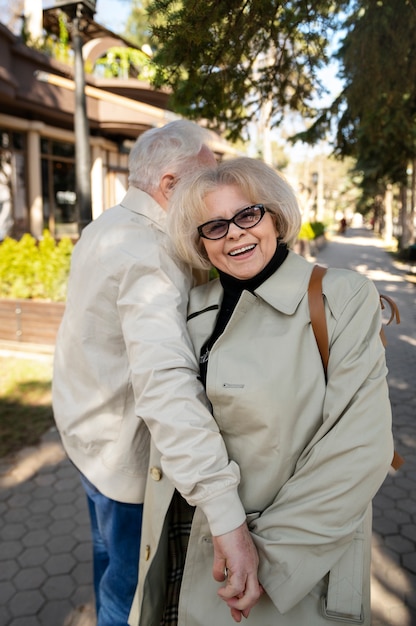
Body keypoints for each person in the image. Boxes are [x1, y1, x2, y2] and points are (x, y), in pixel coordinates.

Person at [130, 157, 394, 625]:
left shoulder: (342, 298)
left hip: (285, 568)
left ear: (274, 216)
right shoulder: (191, 308)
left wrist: (266, 563)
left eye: (247, 215)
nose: (234, 233)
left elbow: (359, 449)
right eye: (214, 225)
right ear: (199, 241)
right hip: (190, 542)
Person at [52, 124, 261, 626]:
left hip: (87, 442)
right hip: (121, 459)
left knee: (109, 568)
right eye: (206, 179)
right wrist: (226, 515)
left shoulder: (107, 226)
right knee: (131, 592)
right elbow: (166, 384)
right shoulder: (151, 252)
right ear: (170, 185)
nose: (215, 193)